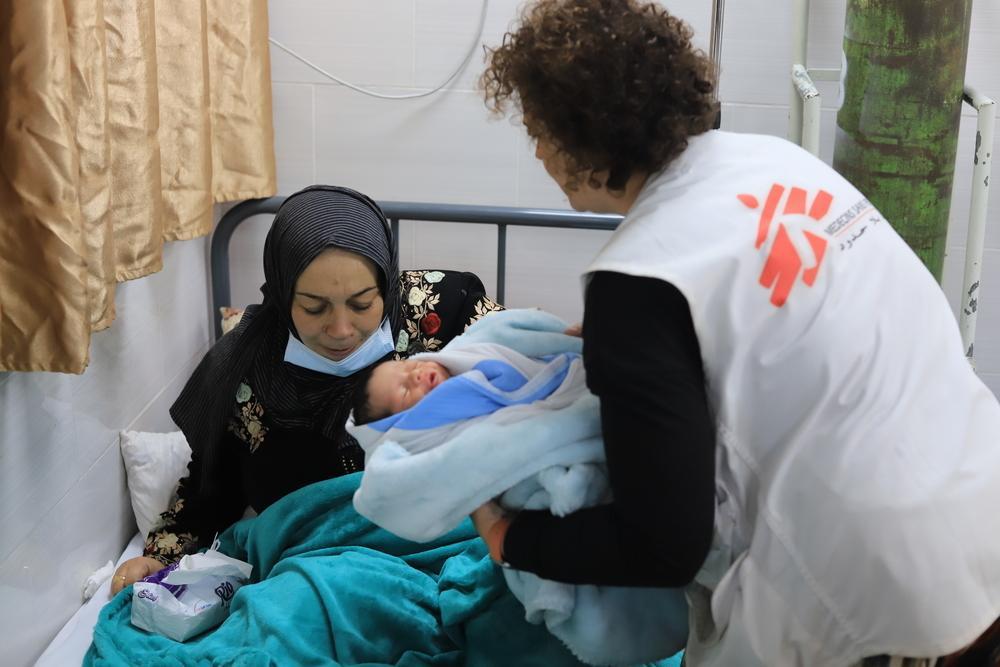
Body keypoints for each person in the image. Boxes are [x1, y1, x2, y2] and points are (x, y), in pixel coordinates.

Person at [470, 1, 1000, 666]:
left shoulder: (636, 280)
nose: (540, 150)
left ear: (580, 137)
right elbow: (786, 321)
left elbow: (664, 544)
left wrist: (511, 538)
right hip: (981, 503)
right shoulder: (775, 162)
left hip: (880, 595)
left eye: (538, 131)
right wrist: (639, 347)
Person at [111, 185, 503, 594]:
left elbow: (532, 369)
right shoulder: (244, 371)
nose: (341, 330)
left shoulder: (441, 311)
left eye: (362, 303)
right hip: (320, 576)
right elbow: (211, 485)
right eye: (314, 308)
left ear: (385, 284)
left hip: (459, 544)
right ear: (282, 294)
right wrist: (160, 554)